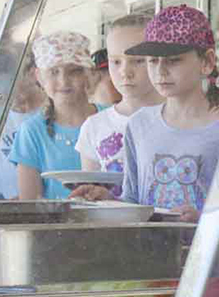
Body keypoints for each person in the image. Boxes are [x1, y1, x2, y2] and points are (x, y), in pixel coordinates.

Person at [117, 6, 219, 215]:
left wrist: (201, 221)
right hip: (146, 247)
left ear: (207, 62)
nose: (160, 71)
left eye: (173, 60)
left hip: (202, 248)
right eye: (152, 61)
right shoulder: (138, 124)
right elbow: (131, 199)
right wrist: (105, 200)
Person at [68, 16, 164, 202]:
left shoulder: (179, 118)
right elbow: (91, 197)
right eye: (116, 61)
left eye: (137, 61)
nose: (125, 72)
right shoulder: (94, 126)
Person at [12, 31, 104, 201]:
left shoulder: (111, 119)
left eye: (74, 71)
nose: (64, 81)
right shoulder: (32, 132)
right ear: (39, 76)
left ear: (88, 73)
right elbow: (30, 203)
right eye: (54, 72)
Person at [0, 65, 46, 201]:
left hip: (52, 204)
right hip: (8, 210)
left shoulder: (55, 111)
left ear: (32, 74)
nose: (4, 86)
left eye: (12, 78)